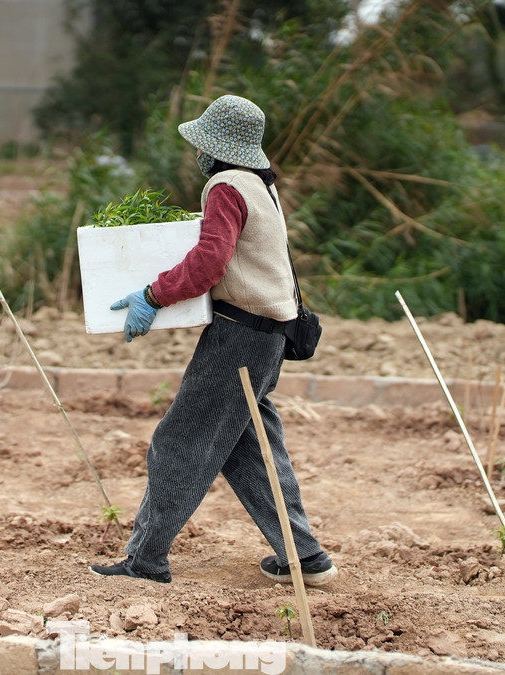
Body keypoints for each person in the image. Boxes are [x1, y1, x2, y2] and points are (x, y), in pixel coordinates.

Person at [90, 95, 336, 586]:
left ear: (214, 147)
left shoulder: (224, 186)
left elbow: (209, 262)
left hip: (239, 337)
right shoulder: (260, 184)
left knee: (177, 442)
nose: (196, 155)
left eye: (200, 145)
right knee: (252, 449)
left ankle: (147, 561)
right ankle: (304, 556)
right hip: (269, 336)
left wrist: (152, 294)